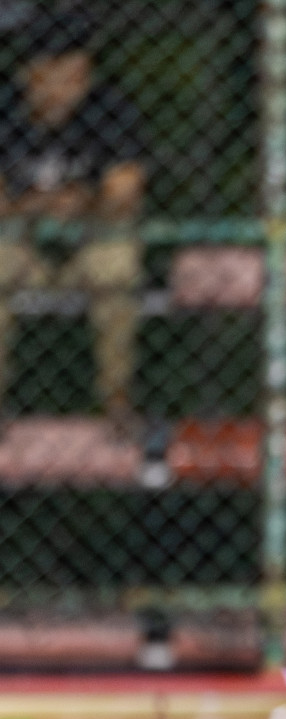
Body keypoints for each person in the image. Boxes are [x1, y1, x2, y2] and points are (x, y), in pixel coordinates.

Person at [0, 5, 146, 427]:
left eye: (79, 68)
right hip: (23, 249)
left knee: (117, 259)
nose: (72, 81)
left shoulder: (110, 107)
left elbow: (125, 192)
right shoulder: (6, 108)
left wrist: (80, 202)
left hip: (88, 242)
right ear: (31, 73)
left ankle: (117, 401)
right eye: (59, 69)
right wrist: (37, 206)